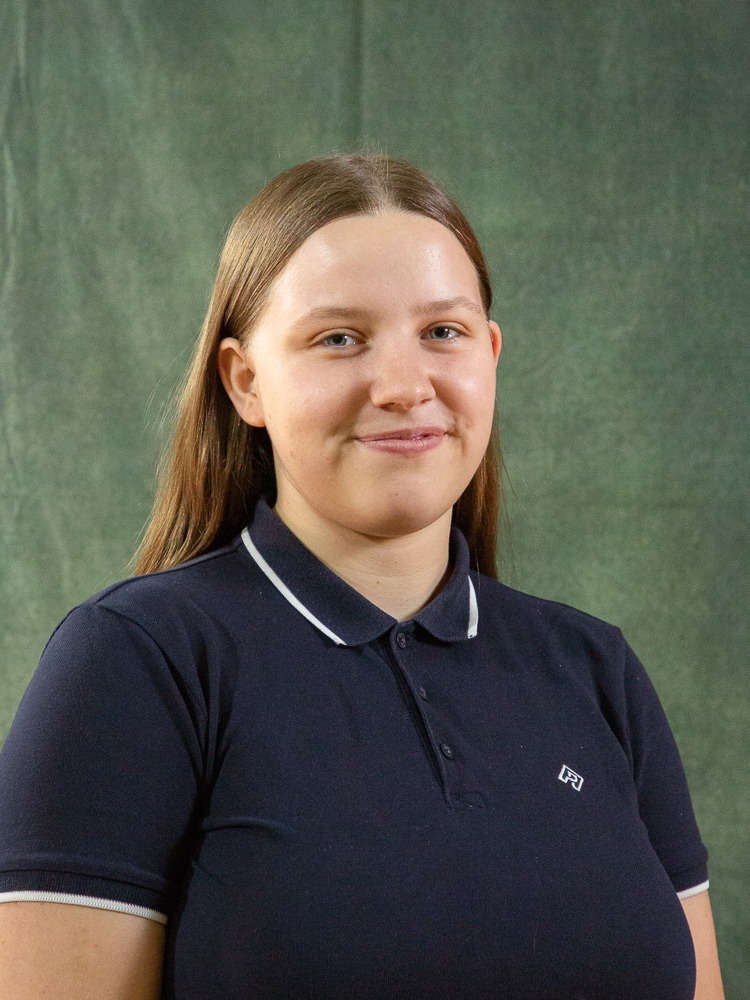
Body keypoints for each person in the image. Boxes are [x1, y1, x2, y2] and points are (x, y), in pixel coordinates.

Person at [0, 153, 724, 999]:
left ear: (490, 356)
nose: (404, 386)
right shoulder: (135, 661)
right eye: (338, 338)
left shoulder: (596, 670)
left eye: (443, 332)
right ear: (245, 382)